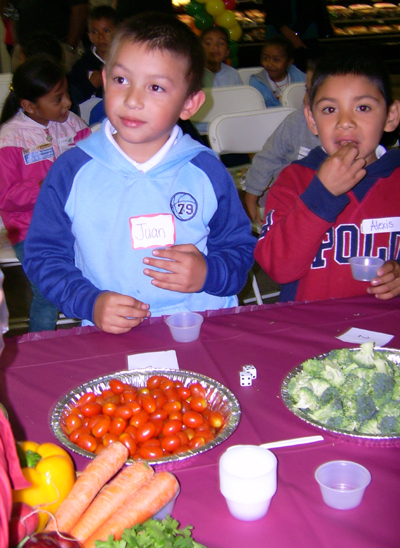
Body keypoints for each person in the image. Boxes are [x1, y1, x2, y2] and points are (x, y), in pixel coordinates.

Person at [23, 13, 256, 335]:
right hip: (110, 334)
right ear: (104, 80)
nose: (133, 99)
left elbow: (239, 249)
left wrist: (210, 273)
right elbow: (43, 256)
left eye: (156, 87)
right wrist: (89, 301)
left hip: (202, 325)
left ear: (190, 103)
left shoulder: (204, 169)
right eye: (121, 80)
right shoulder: (72, 170)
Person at [254, 48, 400, 302]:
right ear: (311, 119)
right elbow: (277, 267)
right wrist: (322, 193)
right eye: (330, 110)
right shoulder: (294, 179)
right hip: (311, 326)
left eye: (363, 107)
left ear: (390, 116)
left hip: (386, 327)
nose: (345, 121)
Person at [0, 55, 91, 332]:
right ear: (28, 105)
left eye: (66, 95)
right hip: (31, 230)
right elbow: (5, 197)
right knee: (47, 292)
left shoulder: (72, 123)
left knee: (97, 274)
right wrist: (44, 186)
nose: (67, 103)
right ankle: (40, 348)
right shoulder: (10, 138)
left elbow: (94, 160)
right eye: (57, 99)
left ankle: (97, 335)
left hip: (76, 223)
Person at [245, 58, 320, 224]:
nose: (307, 98)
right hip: (287, 204)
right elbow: (268, 156)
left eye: (317, 91)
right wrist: (252, 194)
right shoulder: (297, 121)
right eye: (308, 89)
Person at [69, 5, 118, 106]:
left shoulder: (126, 62)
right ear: (90, 36)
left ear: (118, 32)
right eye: (95, 32)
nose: (100, 36)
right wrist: (90, 86)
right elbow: (71, 99)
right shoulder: (81, 66)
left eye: (107, 31)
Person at [249, 36, 305, 107]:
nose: (269, 64)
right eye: (265, 58)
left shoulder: (301, 78)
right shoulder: (257, 82)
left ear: (289, 62)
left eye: (276, 60)